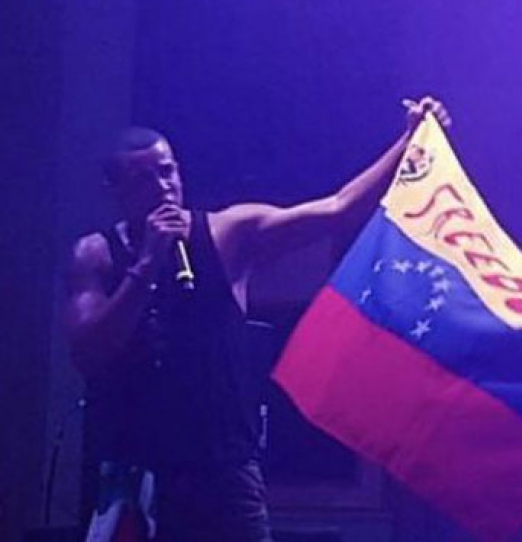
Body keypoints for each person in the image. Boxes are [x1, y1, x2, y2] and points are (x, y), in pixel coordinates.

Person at [62, 97, 450, 542]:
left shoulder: (227, 233)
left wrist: (409, 142)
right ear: (117, 192)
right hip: (134, 473)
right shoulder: (96, 255)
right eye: (143, 179)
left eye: (167, 172)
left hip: (223, 471)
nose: (162, 187)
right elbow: (88, 351)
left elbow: (337, 209)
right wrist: (146, 265)